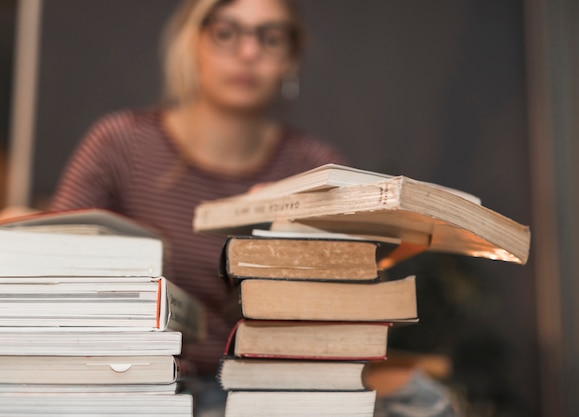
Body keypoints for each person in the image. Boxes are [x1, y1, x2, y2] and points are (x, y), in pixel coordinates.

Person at [47, 0, 461, 416]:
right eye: (227, 32)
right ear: (194, 43)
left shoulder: (314, 166)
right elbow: (51, 271)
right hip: (148, 385)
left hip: (277, 388)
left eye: (271, 38)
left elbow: (347, 313)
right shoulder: (121, 144)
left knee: (426, 402)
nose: (248, 53)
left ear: (291, 59)